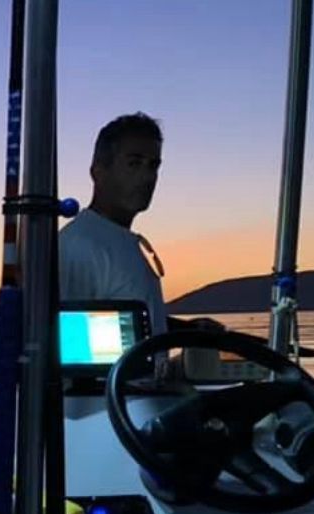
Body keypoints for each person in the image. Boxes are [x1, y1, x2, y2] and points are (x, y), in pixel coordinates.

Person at [61, 112, 221, 343]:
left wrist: (185, 331)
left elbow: (123, 320)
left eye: (153, 165)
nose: (147, 177)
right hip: (118, 381)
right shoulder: (79, 246)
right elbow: (64, 338)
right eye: (134, 163)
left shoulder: (124, 242)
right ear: (98, 171)